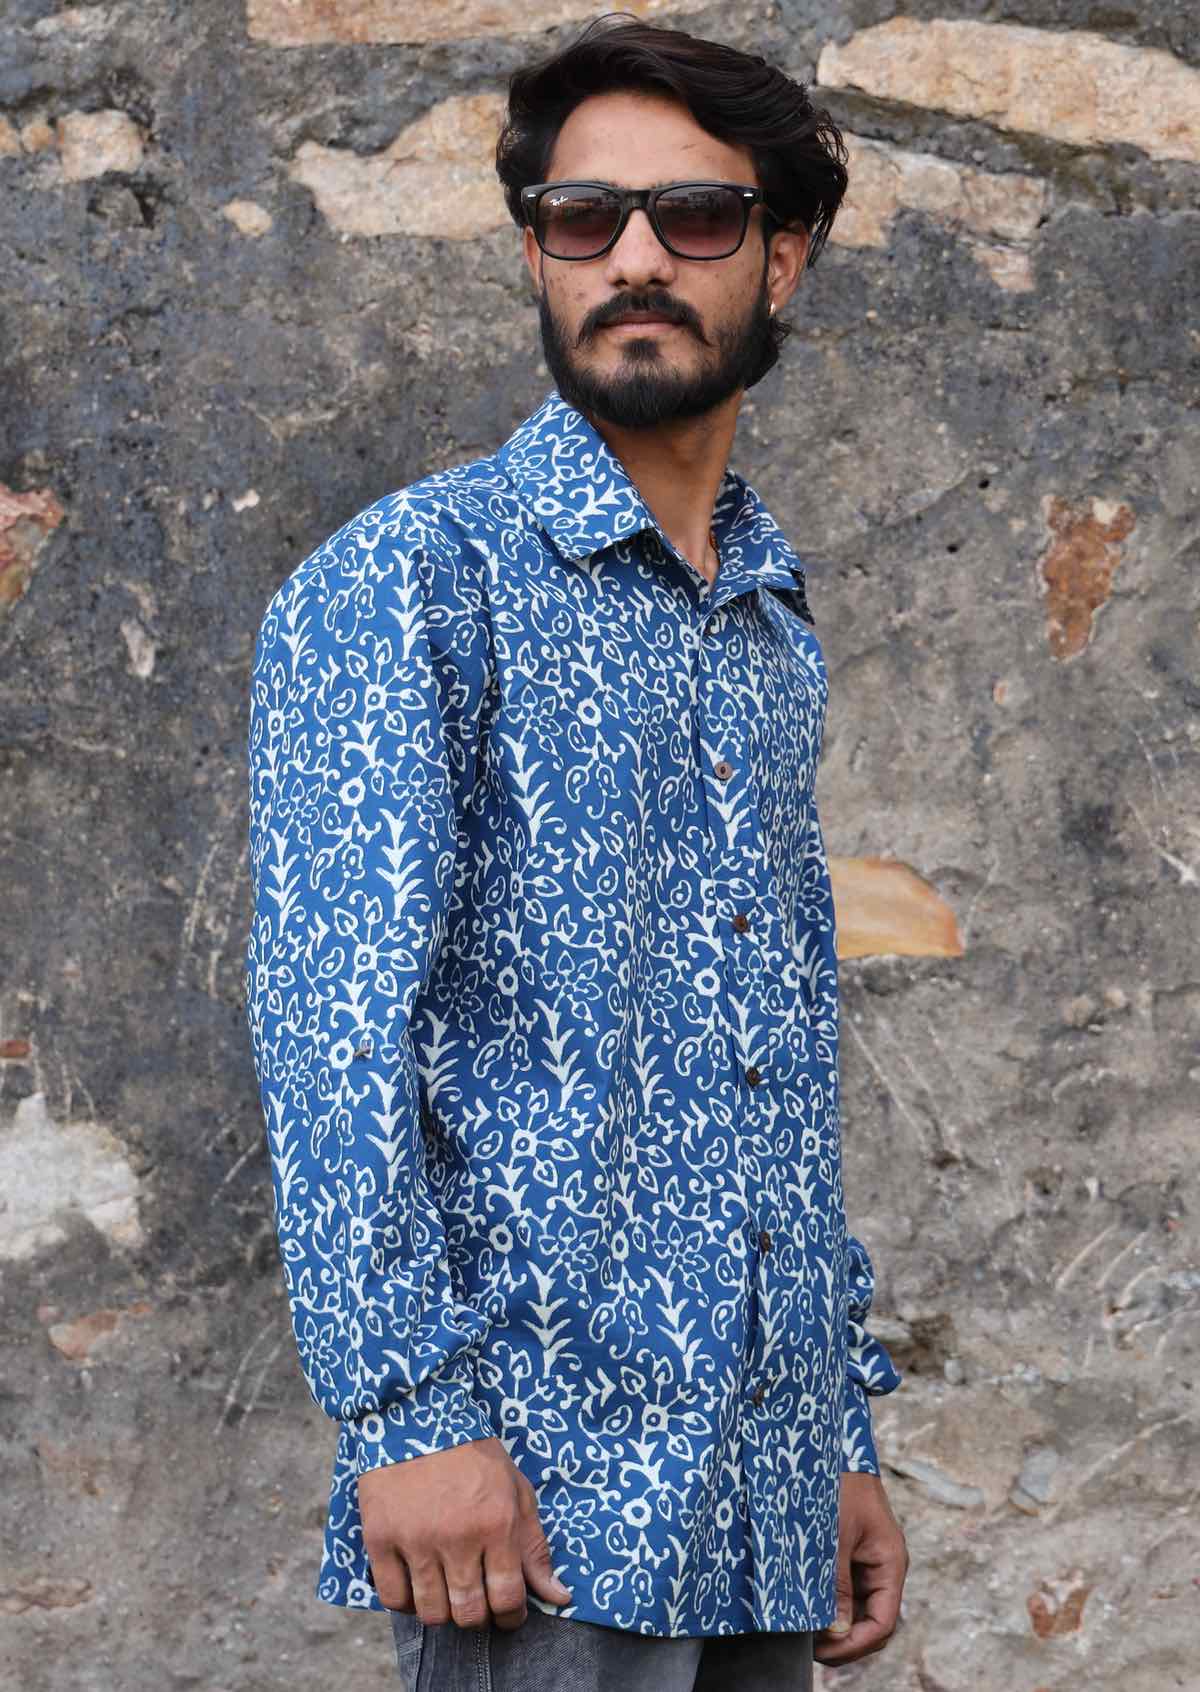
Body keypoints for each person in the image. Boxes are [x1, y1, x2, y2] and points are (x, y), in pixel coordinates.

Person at [244, 12, 909, 1691]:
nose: (632, 259)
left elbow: (778, 1059)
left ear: (786, 257)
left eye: (693, 219)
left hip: (759, 1501)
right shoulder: (411, 583)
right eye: (579, 218)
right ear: (537, 250)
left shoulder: (766, 622)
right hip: (536, 1507)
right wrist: (407, 1417)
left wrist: (836, 1429)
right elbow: (333, 1037)